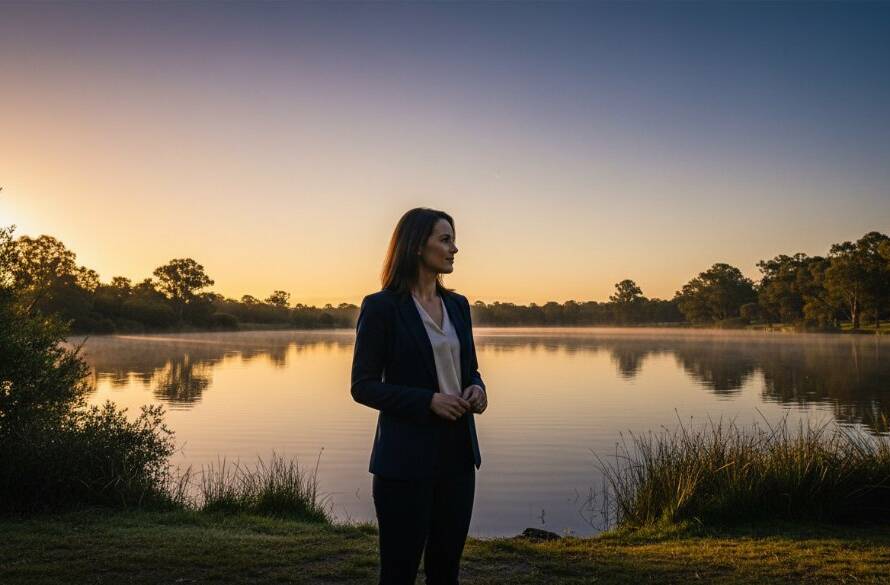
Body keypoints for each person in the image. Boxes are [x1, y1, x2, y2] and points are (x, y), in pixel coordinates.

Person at [351, 207, 488, 585]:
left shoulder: (458, 306)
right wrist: (428, 401)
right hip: (404, 461)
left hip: (458, 457)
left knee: (446, 571)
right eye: (445, 240)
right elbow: (362, 386)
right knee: (398, 573)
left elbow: (470, 369)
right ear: (416, 246)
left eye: (453, 240)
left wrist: (477, 390)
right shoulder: (381, 308)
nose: (454, 248)